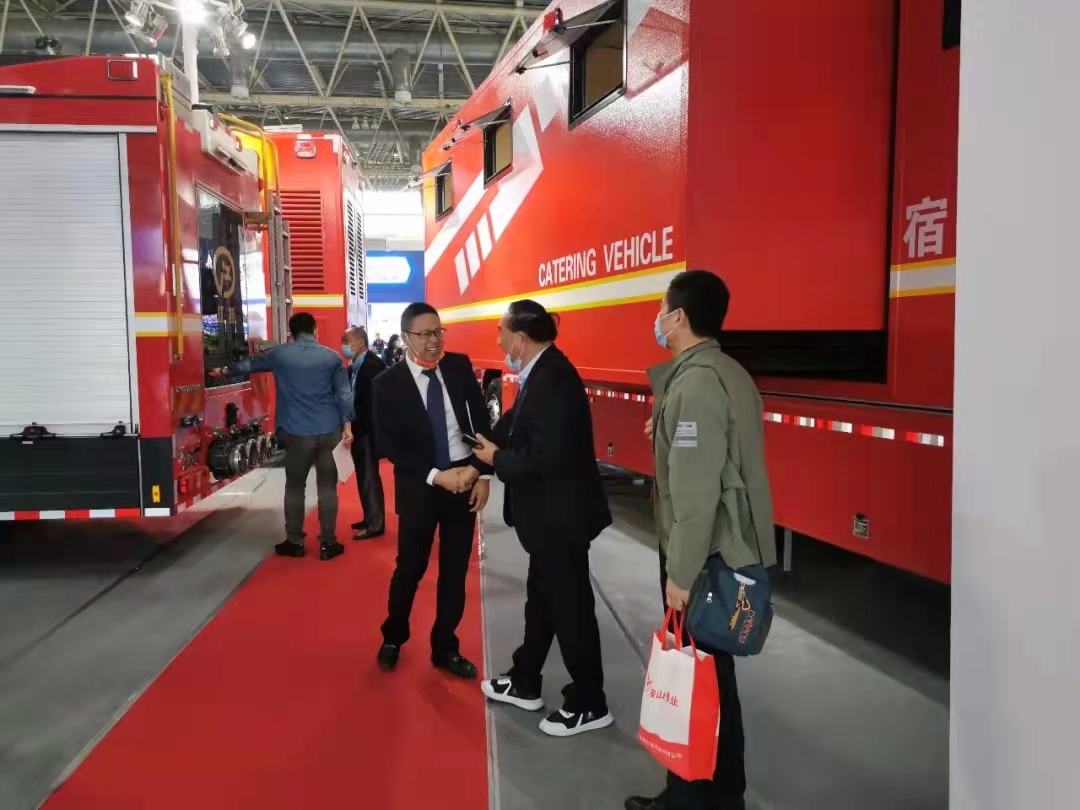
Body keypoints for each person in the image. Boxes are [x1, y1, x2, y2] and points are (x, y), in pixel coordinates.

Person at [625, 271, 776, 810]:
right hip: (730, 549)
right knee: (715, 680)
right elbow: (719, 450)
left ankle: (690, 800)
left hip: (707, 555)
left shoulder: (695, 383)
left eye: (662, 310)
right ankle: (722, 795)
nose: (658, 320)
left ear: (679, 317)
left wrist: (680, 574)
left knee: (696, 682)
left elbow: (695, 493)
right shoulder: (726, 372)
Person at [472, 300, 614, 738]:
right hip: (548, 519)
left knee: (570, 609)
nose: (498, 340)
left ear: (520, 337)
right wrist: (477, 456)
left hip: (561, 517)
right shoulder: (540, 373)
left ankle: (590, 702)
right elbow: (513, 425)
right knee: (543, 601)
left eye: (501, 331)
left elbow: (544, 457)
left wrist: (495, 460)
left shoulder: (555, 380)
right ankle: (525, 679)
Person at [371, 303, 492, 679]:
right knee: (410, 568)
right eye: (425, 334)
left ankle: (445, 647)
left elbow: (479, 423)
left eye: (439, 332)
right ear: (406, 337)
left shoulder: (458, 367)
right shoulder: (387, 385)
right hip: (420, 487)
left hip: (463, 482)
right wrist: (437, 477)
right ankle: (394, 637)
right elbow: (390, 444)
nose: (434, 341)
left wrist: (482, 475)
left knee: (455, 573)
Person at [212, 312, 354, 561]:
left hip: (296, 432)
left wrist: (223, 370)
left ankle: (295, 542)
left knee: (295, 487)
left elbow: (249, 366)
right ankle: (328, 543)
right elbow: (344, 395)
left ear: (291, 333)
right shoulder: (332, 357)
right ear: (315, 330)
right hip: (329, 430)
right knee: (327, 489)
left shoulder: (280, 355)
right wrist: (347, 426)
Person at [342, 326, 387, 540]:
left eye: (346, 340)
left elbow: (377, 403)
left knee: (369, 476)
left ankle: (376, 524)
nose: (343, 345)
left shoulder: (374, 366)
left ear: (360, 343)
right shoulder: (353, 368)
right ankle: (369, 516)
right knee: (362, 475)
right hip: (357, 429)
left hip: (368, 430)